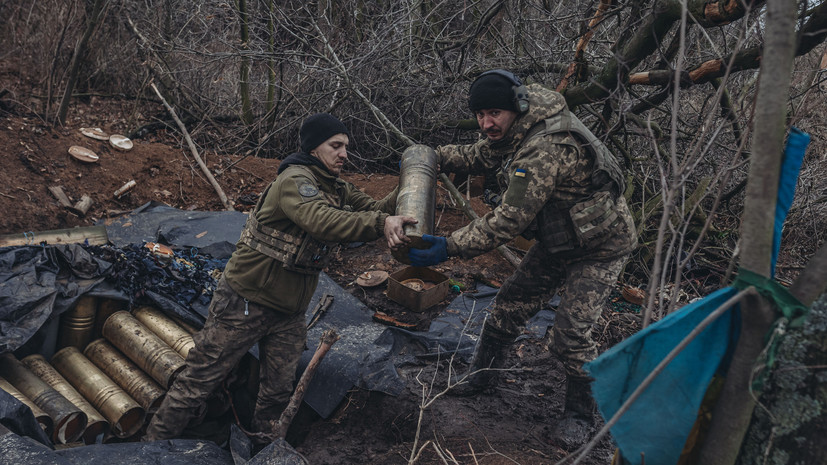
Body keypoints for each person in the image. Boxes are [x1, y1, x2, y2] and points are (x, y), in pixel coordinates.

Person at [145, 113, 416, 442]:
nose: (344, 153)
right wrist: (379, 223)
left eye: (346, 146)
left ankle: (264, 449)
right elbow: (322, 221)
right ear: (314, 148)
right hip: (245, 302)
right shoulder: (296, 180)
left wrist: (413, 180)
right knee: (197, 384)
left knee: (276, 394)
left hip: (289, 313)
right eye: (336, 145)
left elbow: (377, 209)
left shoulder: (337, 187)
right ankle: (150, 449)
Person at [408, 70, 637, 449]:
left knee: (570, 334)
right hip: (559, 238)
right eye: (480, 114)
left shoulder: (544, 148)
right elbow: (483, 153)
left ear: (516, 106)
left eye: (493, 113)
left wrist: (447, 246)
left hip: (600, 246)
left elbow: (509, 220)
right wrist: (432, 156)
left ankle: (580, 415)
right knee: (509, 304)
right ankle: (481, 375)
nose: (486, 123)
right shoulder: (522, 124)